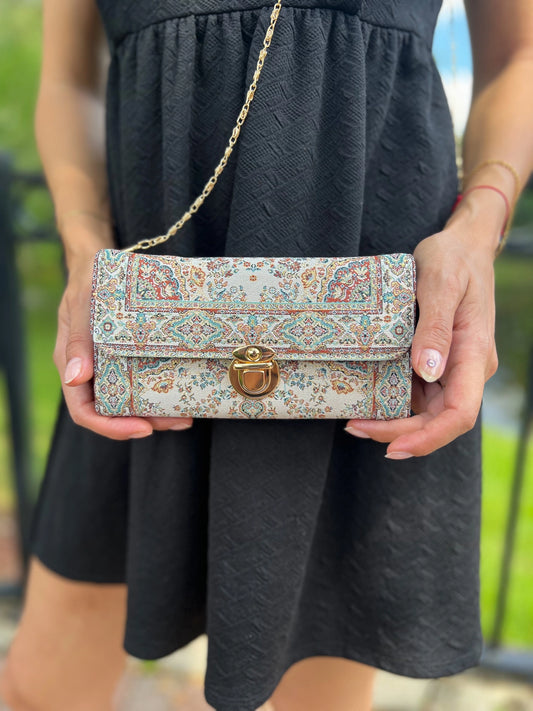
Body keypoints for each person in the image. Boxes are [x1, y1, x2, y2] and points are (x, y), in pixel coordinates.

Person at [1, 0, 533, 710]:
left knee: (321, 696)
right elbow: (70, 80)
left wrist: (478, 229)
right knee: (40, 687)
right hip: (143, 310)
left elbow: (517, 55)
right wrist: (82, 247)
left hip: (372, 316)